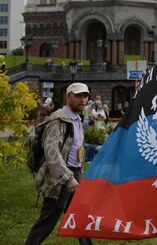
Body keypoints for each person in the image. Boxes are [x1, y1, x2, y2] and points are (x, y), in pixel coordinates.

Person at [25, 83, 93, 245]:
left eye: (85, 96)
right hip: (61, 178)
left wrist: (76, 174)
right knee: (46, 222)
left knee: (80, 216)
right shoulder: (58, 120)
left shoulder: (76, 118)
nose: (82, 99)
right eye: (78, 96)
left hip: (75, 173)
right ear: (67, 96)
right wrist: (67, 178)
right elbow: (52, 153)